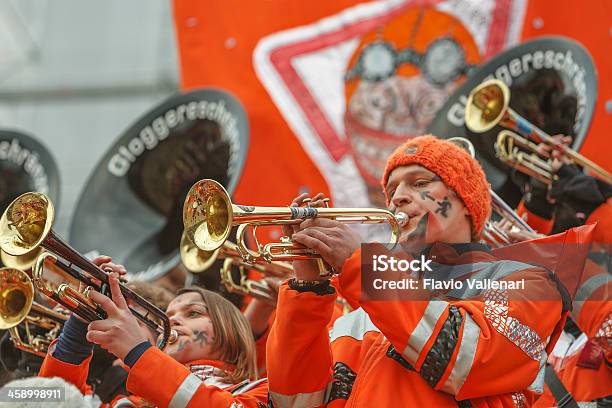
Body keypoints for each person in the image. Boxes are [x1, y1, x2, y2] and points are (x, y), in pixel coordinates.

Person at [267, 135, 571, 407]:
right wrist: (307, 289)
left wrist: (363, 266)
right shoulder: (361, 310)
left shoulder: (530, 280)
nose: (397, 196)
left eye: (419, 182)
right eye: (392, 189)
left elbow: (463, 357)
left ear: (465, 201)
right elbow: (293, 402)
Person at [38, 258, 267, 407]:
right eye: (168, 315)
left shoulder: (260, 393)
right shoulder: (131, 403)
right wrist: (79, 322)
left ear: (232, 329)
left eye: (194, 313)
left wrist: (139, 352)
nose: (174, 320)